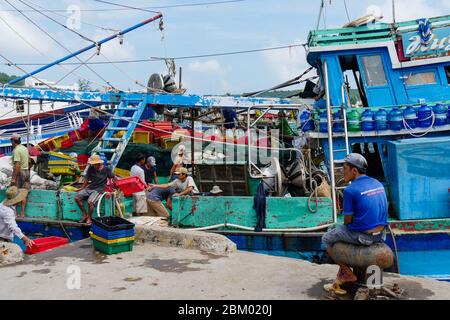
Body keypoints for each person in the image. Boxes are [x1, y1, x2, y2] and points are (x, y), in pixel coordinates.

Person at [322, 153, 388, 289]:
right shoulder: (377, 183)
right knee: (337, 230)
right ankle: (344, 273)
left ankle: (347, 273)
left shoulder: (350, 191)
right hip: (381, 235)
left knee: (326, 238)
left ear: (354, 170)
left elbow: (347, 221)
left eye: (344, 168)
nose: (342, 172)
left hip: (364, 237)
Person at [75, 154, 117, 225]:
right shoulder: (91, 168)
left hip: (99, 189)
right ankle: (84, 214)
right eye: (93, 164)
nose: (94, 166)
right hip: (90, 188)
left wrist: (115, 187)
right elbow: (86, 179)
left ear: (99, 163)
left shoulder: (106, 169)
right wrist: (82, 188)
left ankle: (89, 218)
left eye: (95, 164)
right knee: (77, 198)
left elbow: (113, 178)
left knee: (90, 202)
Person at [10, 133, 30, 218]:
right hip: (27, 172)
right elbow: (29, 161)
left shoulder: (16, 150)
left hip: (20, 172)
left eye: (11, 140)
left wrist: (14, 178)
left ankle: (15, 213)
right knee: (23, 193)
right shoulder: (25, 148)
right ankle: (22, 213)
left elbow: (17, 165)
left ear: (13, 141)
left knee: (15, 192)